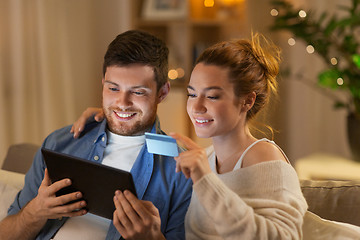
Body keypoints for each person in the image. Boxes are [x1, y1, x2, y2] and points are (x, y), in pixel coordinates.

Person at [71, 32, 308, 239]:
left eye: (212, 96)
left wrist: (205, 179)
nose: (197, 107)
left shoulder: (263, 155)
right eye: (192, 94)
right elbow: (138, 139)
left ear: (247, 100)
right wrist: (110, 116)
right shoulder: (199, 154)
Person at [0, 30, 193, 240]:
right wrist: (35, 212)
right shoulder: (60, 142)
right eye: (113, 88)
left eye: (138, 92)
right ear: (103, 84)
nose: (122, 102)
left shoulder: (180, 170)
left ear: (162, 93)